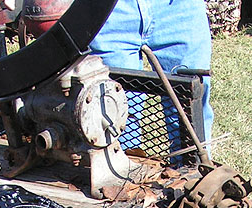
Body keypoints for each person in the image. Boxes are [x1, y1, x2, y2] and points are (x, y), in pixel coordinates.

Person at [89, 0, 213, 152]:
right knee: (114, 112)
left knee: (191, 113)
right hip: (109, 12)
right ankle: (126, 173)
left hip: (179, 8)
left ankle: (195, 173)